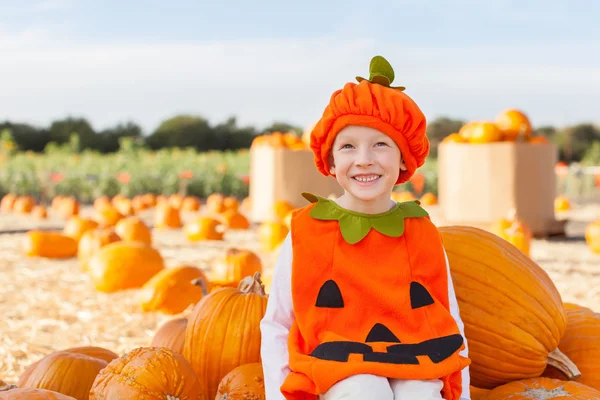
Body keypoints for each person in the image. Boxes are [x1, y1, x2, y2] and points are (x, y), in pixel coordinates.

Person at [260, 55, 471, 400]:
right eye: (348, 146)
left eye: (380, 144)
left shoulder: (420, 231)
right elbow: (278, 324)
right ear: (330, 160)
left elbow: (449, 319)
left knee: (419, 393)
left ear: (404, 158)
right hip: (333, 363)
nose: (364, 159)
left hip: (417, 357)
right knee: (363, 390)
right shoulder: (309, 230)